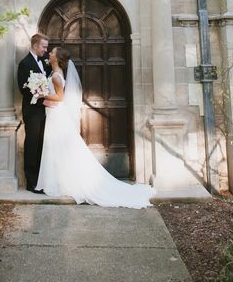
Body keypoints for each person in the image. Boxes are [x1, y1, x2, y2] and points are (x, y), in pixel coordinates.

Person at [36, 46, 155, 208]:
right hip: (54, 114)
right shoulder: (55, 73)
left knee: (59, 147)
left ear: (56, 58)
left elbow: (60, 97)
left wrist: (41, 95)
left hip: (56, 114)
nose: (49, 54)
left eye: (52, 53)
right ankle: (59, 180)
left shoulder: (56, 76)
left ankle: (65, 182)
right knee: (57, 148)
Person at [17, 33, 50, 192]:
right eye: (44, 47)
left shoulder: (44, 61)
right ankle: (32, 183)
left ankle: (41, 180)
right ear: (35, 45)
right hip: (32, 111)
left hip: (45, 111)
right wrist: (39, 92)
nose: (45, 50)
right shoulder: (25, 63)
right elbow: (23, 88)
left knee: (42, 145)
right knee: (32, 145)